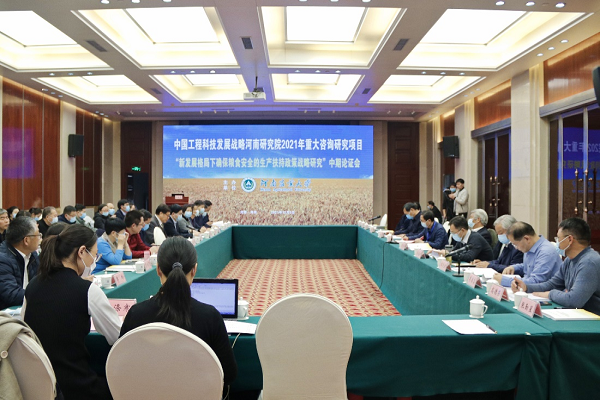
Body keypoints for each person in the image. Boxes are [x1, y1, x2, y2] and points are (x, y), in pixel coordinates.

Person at [120, 237, 237, 386]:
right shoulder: (210, 316)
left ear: (158, 269)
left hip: (145, 392)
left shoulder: (136, 314)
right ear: (194, 270)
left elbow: (121, 365)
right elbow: (228, 374)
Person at [24, 224, 121, 400]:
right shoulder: (87, 290)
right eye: (94, 255)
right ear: (82, 251)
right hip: (77, 386)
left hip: (37, 385)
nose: (94, 261)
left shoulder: (32, 286)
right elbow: (117, 336)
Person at [512, 218, 600, 314]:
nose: (557, 242)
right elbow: (552, 284)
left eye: (558, 238)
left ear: (570, 239)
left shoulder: (589, 262)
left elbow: (574, 300)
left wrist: (550, 294)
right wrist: (526, 287)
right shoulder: (569, 260)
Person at [494, 221, 562, 287]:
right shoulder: (530, 247)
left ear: (526, 239)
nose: (516, 248)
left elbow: (536, 281)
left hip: (545, 291)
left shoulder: (545, 251)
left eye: (516, 244)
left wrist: (505, 280)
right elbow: (528, 266)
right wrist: (514, 267)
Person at [0, 217, 41, 310]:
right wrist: (43, 294)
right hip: (7, 313)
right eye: (38, 234)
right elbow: (11, 295)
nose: (40, 238)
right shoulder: (2, 259)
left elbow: (41, 281)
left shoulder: (32, 254)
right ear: (26, 240)